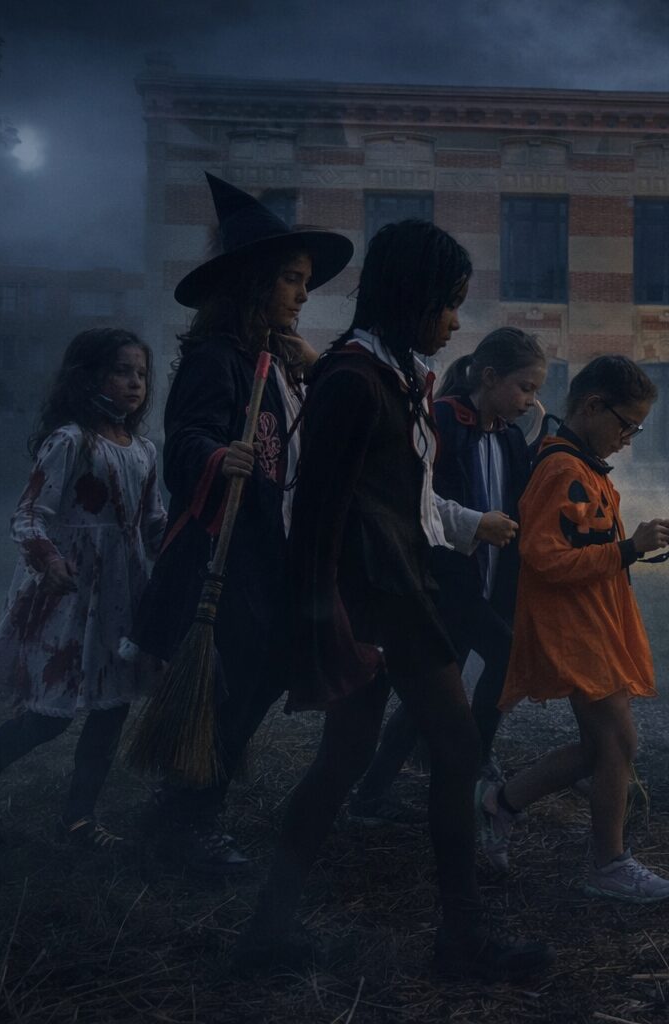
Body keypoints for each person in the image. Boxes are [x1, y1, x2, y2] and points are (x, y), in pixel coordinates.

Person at [237, 220, 553, 979]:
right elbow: (310, 514)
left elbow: (406, 503)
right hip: (375, 606)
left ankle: (268, 931)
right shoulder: (353, 381)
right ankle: (459, 940)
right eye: (449, 304)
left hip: (396, 593)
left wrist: (470, 526)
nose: (455, 323)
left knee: (345, 759)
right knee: (453, 747)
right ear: (413, 297)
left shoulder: (396, 378)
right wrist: (329, 625)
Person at [130, 173, 353, 874]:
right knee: (230, 687)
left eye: (305, 281)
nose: (302, 294)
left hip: (271, 553)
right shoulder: (216, 359)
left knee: (261, 680)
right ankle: (186, 821)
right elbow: (185, 439)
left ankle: (188, 806)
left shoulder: (279, 362)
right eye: (291, 279)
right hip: (225, 558)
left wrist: (316, 373)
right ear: (254, 283)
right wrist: (214, 454)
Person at [477, 355, 669, 903]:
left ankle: (500, 803)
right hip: (575, 627)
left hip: (594, 620)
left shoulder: (584, 468)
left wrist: (634, 545)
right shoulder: (561, 471)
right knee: (619, 740)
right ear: (593, 406)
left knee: (602, 747)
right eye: (626, 425)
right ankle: (608, 864)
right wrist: (629, 548)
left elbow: (585, 545)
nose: (628, 439)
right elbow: (543, 558)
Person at [0, 328, 163, 850]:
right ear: (89, 377)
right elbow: (28, 514)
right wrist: (49, 560)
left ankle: (79, 819)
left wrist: (193, 542)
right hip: (69, 596)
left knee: (111, 709)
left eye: (141, 373)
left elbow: (152, 523)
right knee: (50, 714)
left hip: (121, 597)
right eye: (121, 371)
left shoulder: (145, 450)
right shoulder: (70, 441)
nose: (135, 383)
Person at [348, 327, 547, 825]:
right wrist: (473, 526)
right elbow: (415, 499)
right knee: (506, 655)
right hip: (443, 585)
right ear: (490, 376)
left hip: (489, 583)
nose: (530, 400)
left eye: (535, 391)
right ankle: (473, 756)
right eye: (524, 387)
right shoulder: (440, 422)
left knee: (426, 698)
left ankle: (371, 796)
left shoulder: (510, 438)